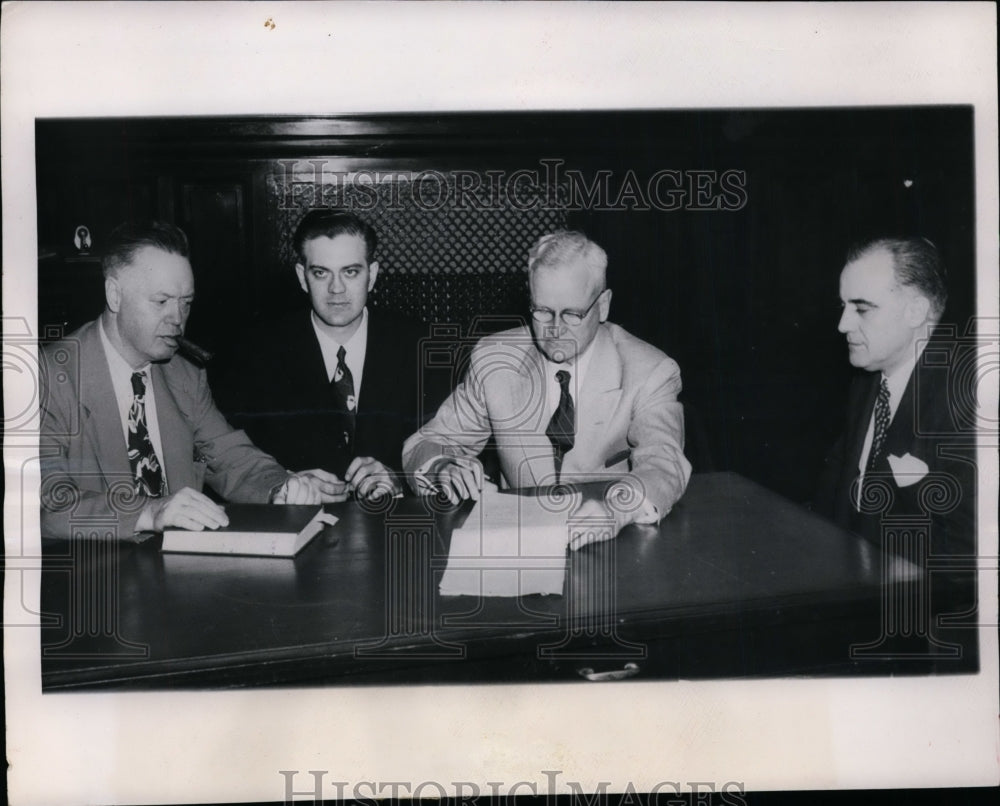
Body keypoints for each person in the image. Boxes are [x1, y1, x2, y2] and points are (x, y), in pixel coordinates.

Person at [39, 221, 343, 540]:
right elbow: (45, 506)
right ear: (114, 295)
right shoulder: (49, 377)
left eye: (185, 303)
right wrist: (148, 512)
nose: (177, 320)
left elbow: (228, 455)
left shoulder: (183, 372)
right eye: (162, 301)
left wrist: (280, 487)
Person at [402, 230, 691, 550]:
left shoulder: (649, 371)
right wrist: (443, 467)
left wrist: (616, 509)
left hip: (613, 548)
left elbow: (664, 464)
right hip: (519, 547)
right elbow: (428, 442)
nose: (554, 330)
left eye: (571, 314)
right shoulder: (494, 359)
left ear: (604, 305)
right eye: (542, 311)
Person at [213, 210, 434, 501]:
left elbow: (444, 446)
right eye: (321, 273)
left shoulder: (420, 345)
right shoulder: (254, 354)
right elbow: (224, 457)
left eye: (350, 272)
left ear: (373, 275)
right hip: (298, 528)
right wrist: (286, 483)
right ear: (302, 278)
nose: (336, 289)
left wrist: (401, 480)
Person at [815, 237, 976, 556]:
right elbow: (836, 492)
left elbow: (967, 551)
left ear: (916, 311)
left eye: (861, 308)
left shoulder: (968, 399)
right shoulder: (868, 379)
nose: (843, 324)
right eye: (843, 306)